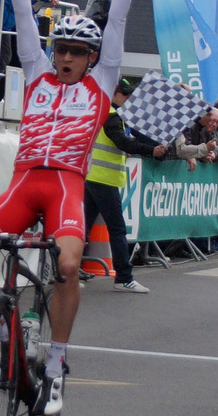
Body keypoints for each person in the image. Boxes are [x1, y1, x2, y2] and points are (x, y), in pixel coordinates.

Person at [0, 0, 141, 415]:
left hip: (65, 189)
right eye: (61, 48)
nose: (65, 58)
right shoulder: (36, 71)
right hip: (22, 183)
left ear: (93, 58)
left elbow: (118, 17)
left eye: (77, 52)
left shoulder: (102, 85)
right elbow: (19, 9)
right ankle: (5, 331)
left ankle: (56, 365)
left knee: (70, 264)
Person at [84, 78, 167, 293]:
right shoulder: (112, 115)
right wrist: (151, 150)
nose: (129, 99)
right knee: (117, 229)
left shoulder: (103, 111)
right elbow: (122, 142)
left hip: (94, 176)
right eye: (125, 94)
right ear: (114, 93)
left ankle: (66, 271)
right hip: (104, 179)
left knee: (82, 227)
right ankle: (124, 277)